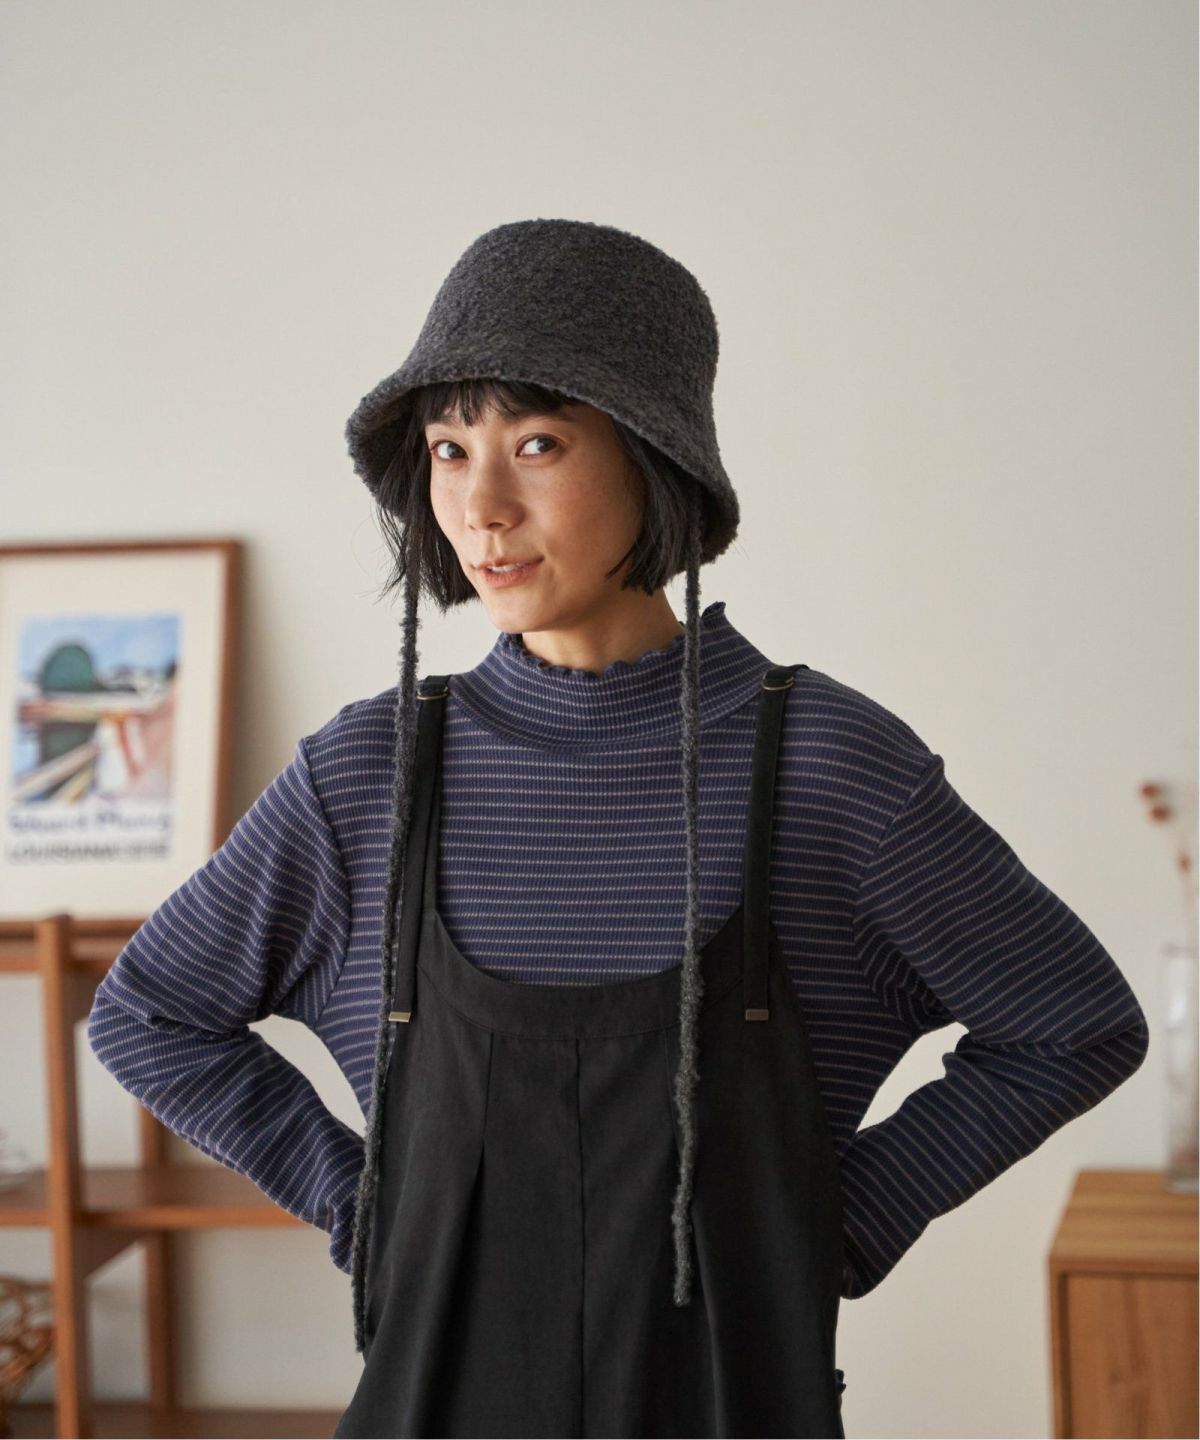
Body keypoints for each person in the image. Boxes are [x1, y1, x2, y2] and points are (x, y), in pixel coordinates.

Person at [87, 219, 1150, 1440]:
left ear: (656, 457)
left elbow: (1072, 1025)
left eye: (537, 444)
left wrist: (836, 1224)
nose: (480, 507)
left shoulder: (829, 766)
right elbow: (150, 1017)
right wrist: (360, 1203)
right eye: (447, 450)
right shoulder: (370, 777)